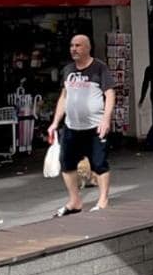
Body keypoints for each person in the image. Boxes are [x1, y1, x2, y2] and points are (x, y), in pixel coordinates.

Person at [47, 34, 114, 214]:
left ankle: (103, 199)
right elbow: (64, 96)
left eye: (78, 46)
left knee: (99, 164)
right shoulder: (68, 70)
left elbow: (110, 94)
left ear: (87, 48)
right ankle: (75, 201)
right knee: (66, 163)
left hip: (94, 127)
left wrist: (106, 119)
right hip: (71, 127)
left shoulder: (99, 68)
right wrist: (55, 123)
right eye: (71, 46)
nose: (74, 49)